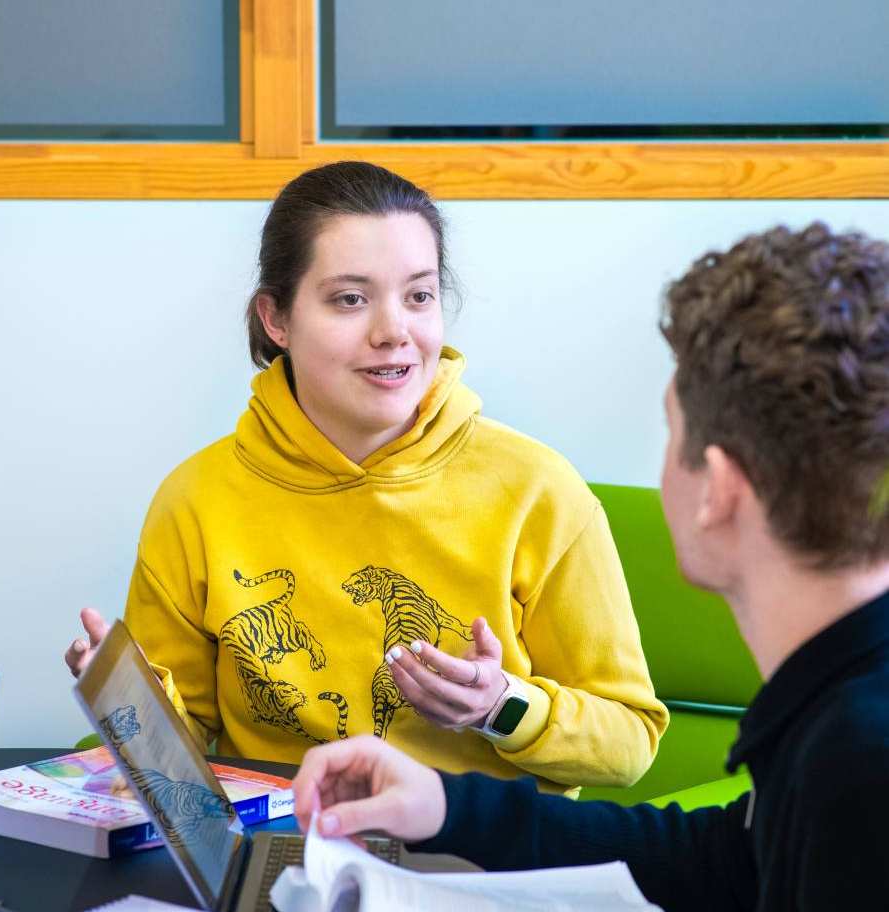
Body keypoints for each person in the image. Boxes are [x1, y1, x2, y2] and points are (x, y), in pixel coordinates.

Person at [290, 222, 889, 912]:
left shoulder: (862, 761)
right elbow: (722, 866)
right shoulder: (836, 713)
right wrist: (446, 808)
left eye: (670, 432)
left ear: (718, 487)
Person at [64, 161, 667, 792]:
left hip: (478, 863)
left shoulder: (538, 489)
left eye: (419, 296)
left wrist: (499, 707)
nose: (394, 333)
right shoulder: (195, 499)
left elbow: (628, 745)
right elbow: (175, 761)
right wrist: (120, 698)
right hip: (287, 856)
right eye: (350, 299)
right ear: (277, 319)